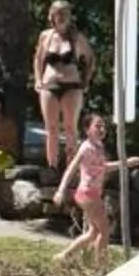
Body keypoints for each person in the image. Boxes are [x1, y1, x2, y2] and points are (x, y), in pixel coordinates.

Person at [32, 0, 92, 172]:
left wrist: (85, 80)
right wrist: (37, 79)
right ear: (51, 16)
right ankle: (52, 165)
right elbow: (38, 59)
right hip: (49, 84)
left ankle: (71, 166)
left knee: (70, 127)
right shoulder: (46, 36)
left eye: (64, 13)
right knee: (50, 128)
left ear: (69, 17)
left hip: (72, 85)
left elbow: (89, 59)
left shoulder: (77, 38)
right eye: (57, 13)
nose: (61, 17)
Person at [54, 113, 122, 265]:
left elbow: (103, 167)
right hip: (87, 193)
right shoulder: (86, 148)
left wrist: (125, 163)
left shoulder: (98, 147)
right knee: (104, 230)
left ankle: (64, 256)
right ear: (87, 129)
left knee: (93, 232)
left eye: (103, 126)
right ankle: (101, 266)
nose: (102, 129)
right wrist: (60, 190)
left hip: (93, 193)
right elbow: (71, 169)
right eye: (97, 126)